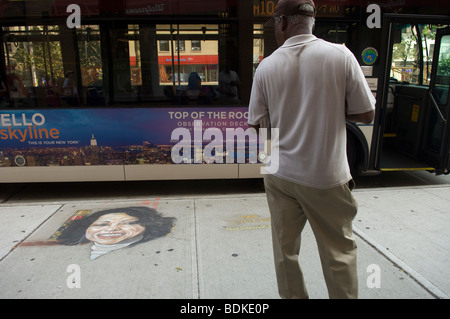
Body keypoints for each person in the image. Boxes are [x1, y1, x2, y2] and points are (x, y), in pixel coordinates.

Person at [248, 0, 375, 299]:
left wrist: (286, 116)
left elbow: (257, 125)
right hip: (325, 177)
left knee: (284, 250)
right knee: (338, 253)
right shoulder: (341, 55)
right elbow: (366, 113)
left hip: (278, 173)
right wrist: (328, 110)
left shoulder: (266, 66)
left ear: (282, 23)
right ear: (311, 21)